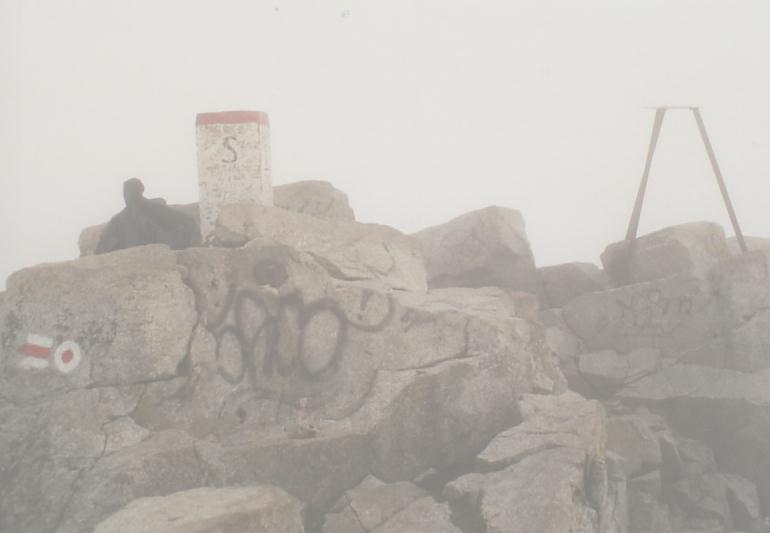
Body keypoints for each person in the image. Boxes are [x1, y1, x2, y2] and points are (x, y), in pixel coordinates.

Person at [95, 178, 200, 254]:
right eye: (126, 193)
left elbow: (183, 221)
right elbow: (103, 247)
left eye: (132, 192)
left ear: (140, 191)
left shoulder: (154, 208)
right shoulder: (118, 220)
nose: (128, 196)